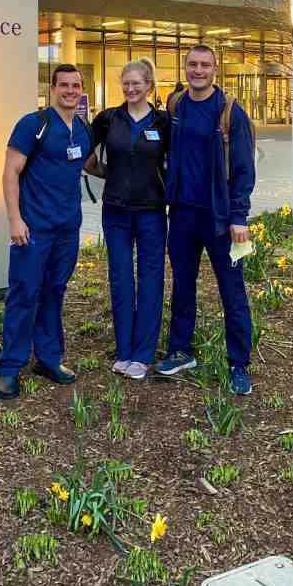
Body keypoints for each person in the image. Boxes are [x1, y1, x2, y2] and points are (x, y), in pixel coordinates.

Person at [156, 45, 256, 395]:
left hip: (221, 220)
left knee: (232, 293)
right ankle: (181, 351)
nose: (198, 70)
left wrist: (238, 215)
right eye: (192, 64)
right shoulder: (176, 106)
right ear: (185, 68)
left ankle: (239, 364)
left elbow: (244, 168)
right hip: (182, 214)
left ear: (215, 69)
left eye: (205, 65)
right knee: (182, 286)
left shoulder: (230, 112)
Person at [0, 64, 93, 399]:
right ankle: (10, 367)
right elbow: (10, 173)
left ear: (82, 89)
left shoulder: (81, 128)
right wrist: (14, 219)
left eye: (76, 85)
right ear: (53, 88)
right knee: (24, 294)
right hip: (33, 228)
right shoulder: (32, 125)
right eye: (64, 85)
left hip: (67, 228)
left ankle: (49, 358)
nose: (70, 90)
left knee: (54, 292)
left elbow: (90, 165)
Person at [86, 59, 170, 380]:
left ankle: (143, 354)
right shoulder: (108, 119)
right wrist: (109, 174)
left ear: (149, 85)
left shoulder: (163, 123)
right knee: (120, 277)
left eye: (137, 83)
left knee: (150, 278)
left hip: (151, 211)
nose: (131, 89)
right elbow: (85, 154)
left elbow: (174, 163)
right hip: (116, 211)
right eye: (126, 83)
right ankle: (124, 351)